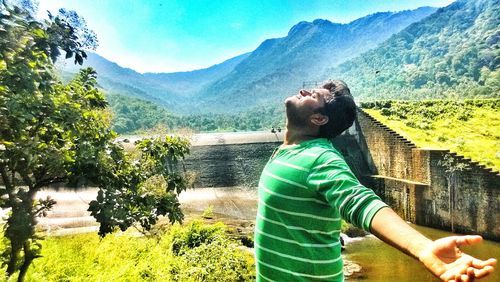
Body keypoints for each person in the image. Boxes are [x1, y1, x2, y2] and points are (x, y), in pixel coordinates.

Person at [254, 80, 496, 281]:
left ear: (319, 119)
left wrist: (422, 247)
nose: (305, 90)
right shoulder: (290, 150)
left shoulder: (319, 158)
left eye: (314, 96)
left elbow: (361, 202)